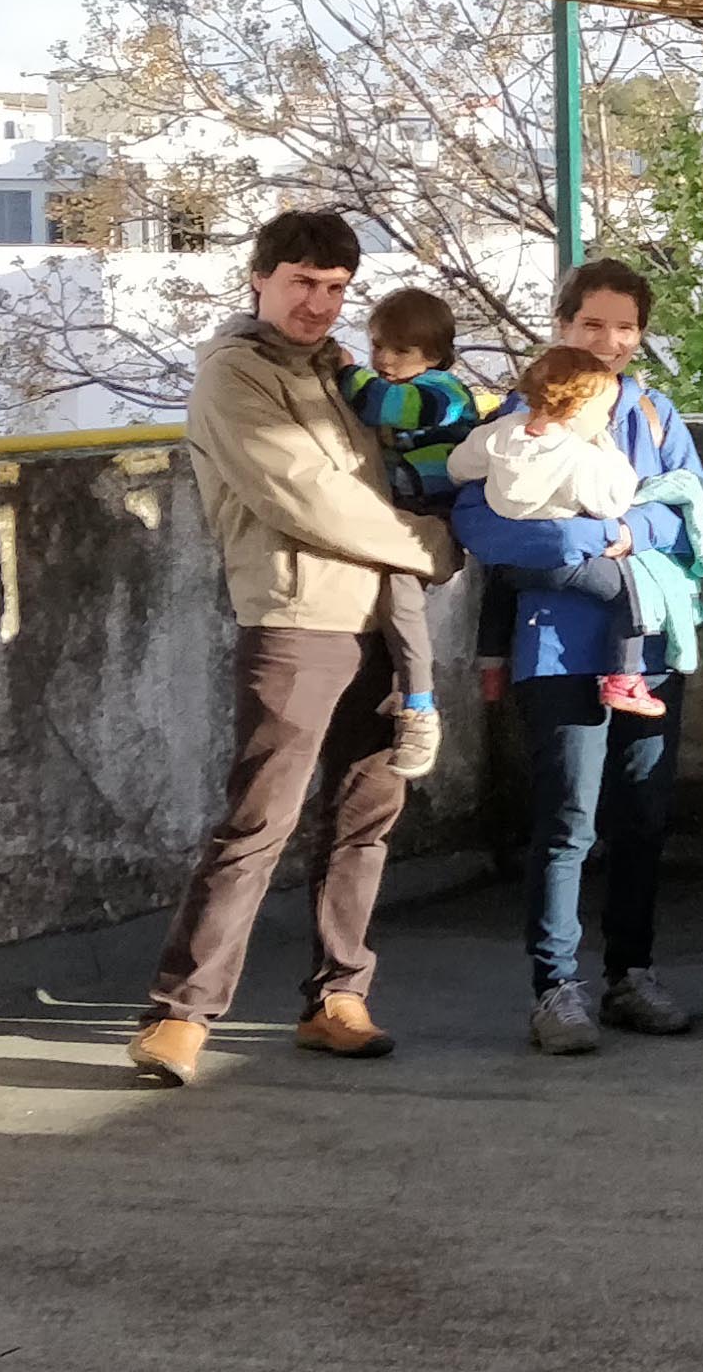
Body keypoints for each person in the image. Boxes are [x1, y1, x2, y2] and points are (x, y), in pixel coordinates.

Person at [127, 210, 462, 1087]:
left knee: (364, 823)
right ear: (260, 279)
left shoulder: (342, 372)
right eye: (302, 283)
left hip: (381, 625)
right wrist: (433, 547)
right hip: (296, 619)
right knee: (258, 822)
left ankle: (337, 997)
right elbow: (308, 497)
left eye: (336, 288)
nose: (318, 303)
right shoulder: (234, 373)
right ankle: (180, 1013)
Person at [451, 258, 703, 1055]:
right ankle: (556, 987)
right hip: (558, 647)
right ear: (562, 326)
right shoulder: (524, 414)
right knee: (567, 821)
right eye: (592, 324)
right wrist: (594, 537)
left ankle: (632, 974)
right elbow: (480, 526)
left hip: (647, 645)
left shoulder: (656, 414)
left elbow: (690, 517)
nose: (609, 341)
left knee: (644, 818)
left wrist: (623, 532)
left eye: (625, 327)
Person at [448, 347, 670, 722]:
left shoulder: (501, 432)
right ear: (577, 409)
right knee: (631, 593)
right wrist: (608, 451)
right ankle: (624, 676)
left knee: (498, 590)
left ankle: (491, 663)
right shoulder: (578, 454)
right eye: (602, 411)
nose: (605, 419)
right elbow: (611, 503)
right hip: (564, 562)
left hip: (513, 558)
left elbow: (458, 466)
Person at [339, 285, 480, 777]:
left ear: (435, 355)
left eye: (401, 350)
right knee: (388, 603)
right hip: (406, 515)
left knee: (401, 596)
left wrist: (345, 372)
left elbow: (385, 405)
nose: (384, 359)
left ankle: (420, 704)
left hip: (437, 517)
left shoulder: (444, 393)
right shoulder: (406, 383)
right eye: (378, 345)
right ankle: (404, 683)